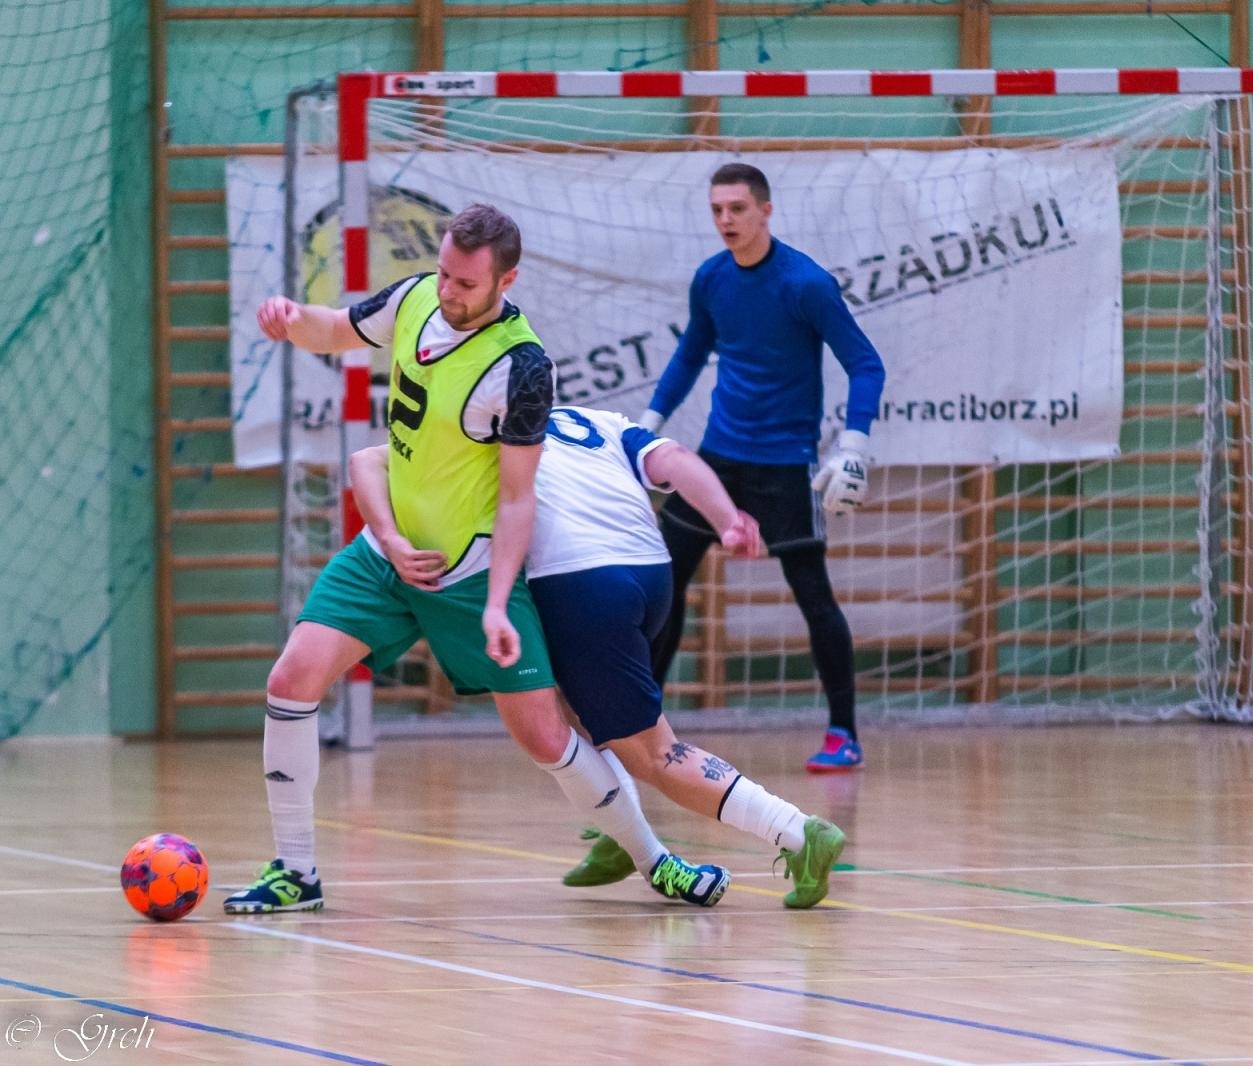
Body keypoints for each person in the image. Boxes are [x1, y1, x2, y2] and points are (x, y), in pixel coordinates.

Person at [225, 204, 729, 913]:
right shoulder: (414, 298)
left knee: (546, 736)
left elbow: (518, 498)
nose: (449, 291)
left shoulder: (523, 367)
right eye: (444, 272)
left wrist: (496, 602)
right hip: (386, 553)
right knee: (293, 675)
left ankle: (655, 860)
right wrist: (289, 318)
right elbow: (335, 329)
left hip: (465, 571)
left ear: (505, 278)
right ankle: (296, 872)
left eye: (465, 282)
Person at [349, 405, 849, 908]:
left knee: (653, 752)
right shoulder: (590, 419)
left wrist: (393, 538)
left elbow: (369, 460)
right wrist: (727, 520)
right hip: (650, 572)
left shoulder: (475, 428)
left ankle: (798, 833)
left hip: (580, 582)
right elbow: (674, 458)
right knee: (584, 710)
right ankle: (621, 835)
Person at [641, 162, 887, 773]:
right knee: (663, 586)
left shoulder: (806, 284)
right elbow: (690, 355)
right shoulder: (711, 279)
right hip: (717, 458)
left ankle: (842, 733)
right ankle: (638, 730)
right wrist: (649, 422)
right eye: (717, 209)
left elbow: (866, 364)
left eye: (737, 209)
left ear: (765, 211)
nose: (725, 220)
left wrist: (853, 442)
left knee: (813, 596)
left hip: (783, 464)